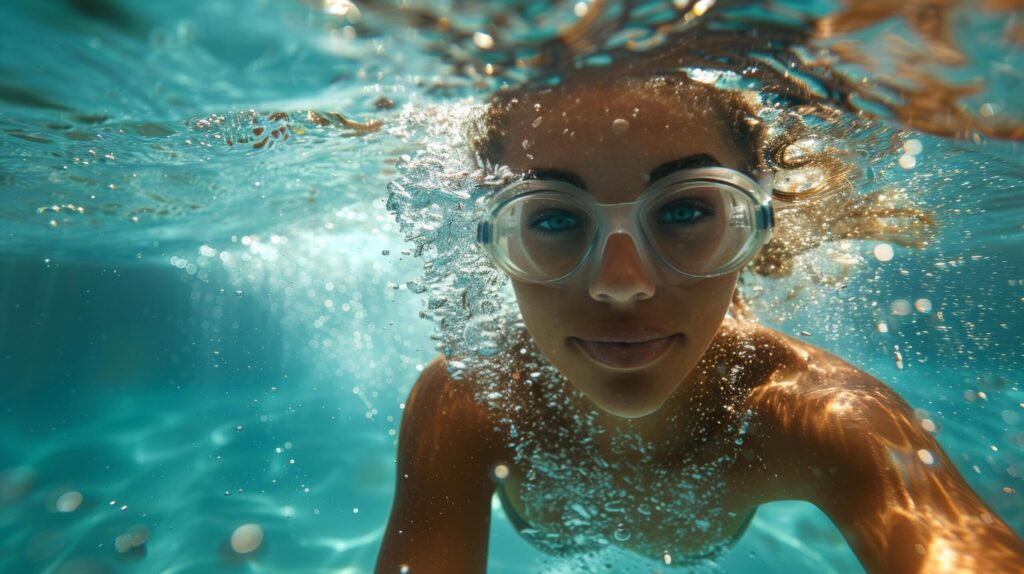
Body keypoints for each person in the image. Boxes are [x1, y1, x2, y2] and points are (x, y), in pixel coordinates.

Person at [375, 71, 1024, 573]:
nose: (622, 283)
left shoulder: (820, 419)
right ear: (496, 236)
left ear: (752, 221)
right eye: (552, 218)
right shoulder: (471, 399)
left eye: (684, 212)